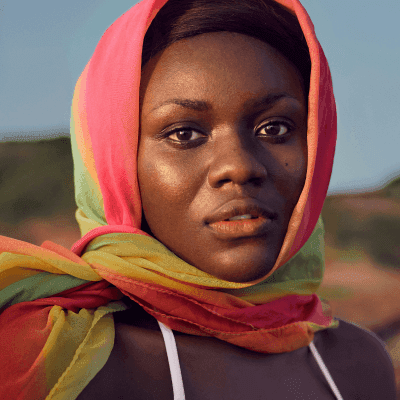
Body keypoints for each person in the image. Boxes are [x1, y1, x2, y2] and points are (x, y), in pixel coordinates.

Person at [0, 0, 396, 399]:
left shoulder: (357, 367)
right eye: (184, 134)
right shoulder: (56, 359)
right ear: (116, 165)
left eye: (274, 127)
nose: (239, 167)